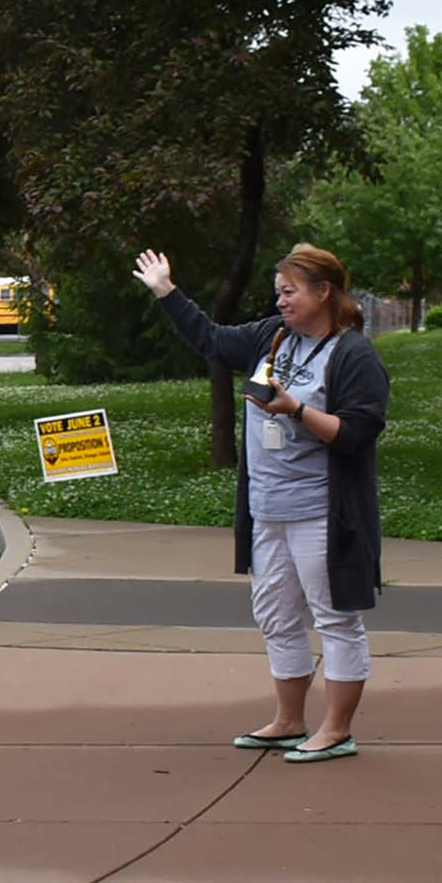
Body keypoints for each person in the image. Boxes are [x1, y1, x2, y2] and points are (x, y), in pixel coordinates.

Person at [131, 244, 390, 762]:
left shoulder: (353, 355)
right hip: (266, 508)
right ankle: (289, 720)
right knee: (276, 614)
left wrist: (293, 409)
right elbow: (211, 339)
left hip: (320, 510)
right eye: (279, 292)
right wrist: (166, 291)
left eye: (290, 292)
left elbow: (356, 434)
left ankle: (336, 729)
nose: (282, 302)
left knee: (335, 617)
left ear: (324, 292)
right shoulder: (273, 337)